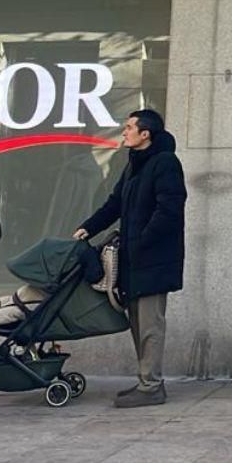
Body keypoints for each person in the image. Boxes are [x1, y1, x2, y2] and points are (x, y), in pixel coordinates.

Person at [75, 109, 187, 408]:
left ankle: (151, 386)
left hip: (153, 258)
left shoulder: (165, 163)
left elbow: (170, 210)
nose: (124, 132)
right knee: (138, 322)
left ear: (145, 133)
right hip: (134, 257)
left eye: (129, 128)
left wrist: (140, 241)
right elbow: (115, 204)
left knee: (150, 323)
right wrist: (88, 227)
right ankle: (146, 381)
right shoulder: (133, 166)